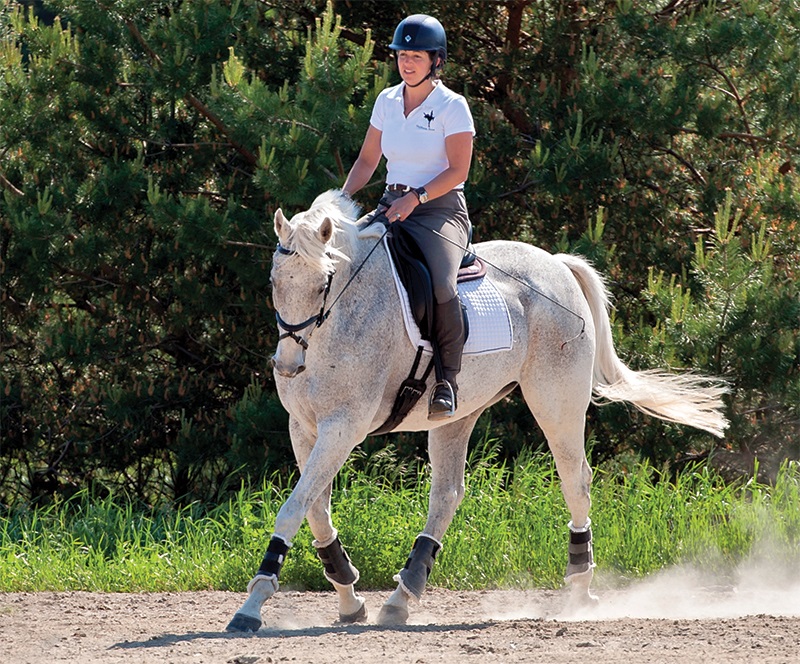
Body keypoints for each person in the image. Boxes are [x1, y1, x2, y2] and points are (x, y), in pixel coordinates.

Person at [342, 14, 475, 420]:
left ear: (436, 61)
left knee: (440, 285)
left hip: (439, 210)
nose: (407, 63)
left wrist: (416, 198)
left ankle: (447, 380)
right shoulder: (386, 100)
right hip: (391, 204)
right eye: (402, 55)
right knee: (347, 268)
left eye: (417, 56)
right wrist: (338, 200)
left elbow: (458, 171)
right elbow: (368, 160)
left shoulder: (453, 106)